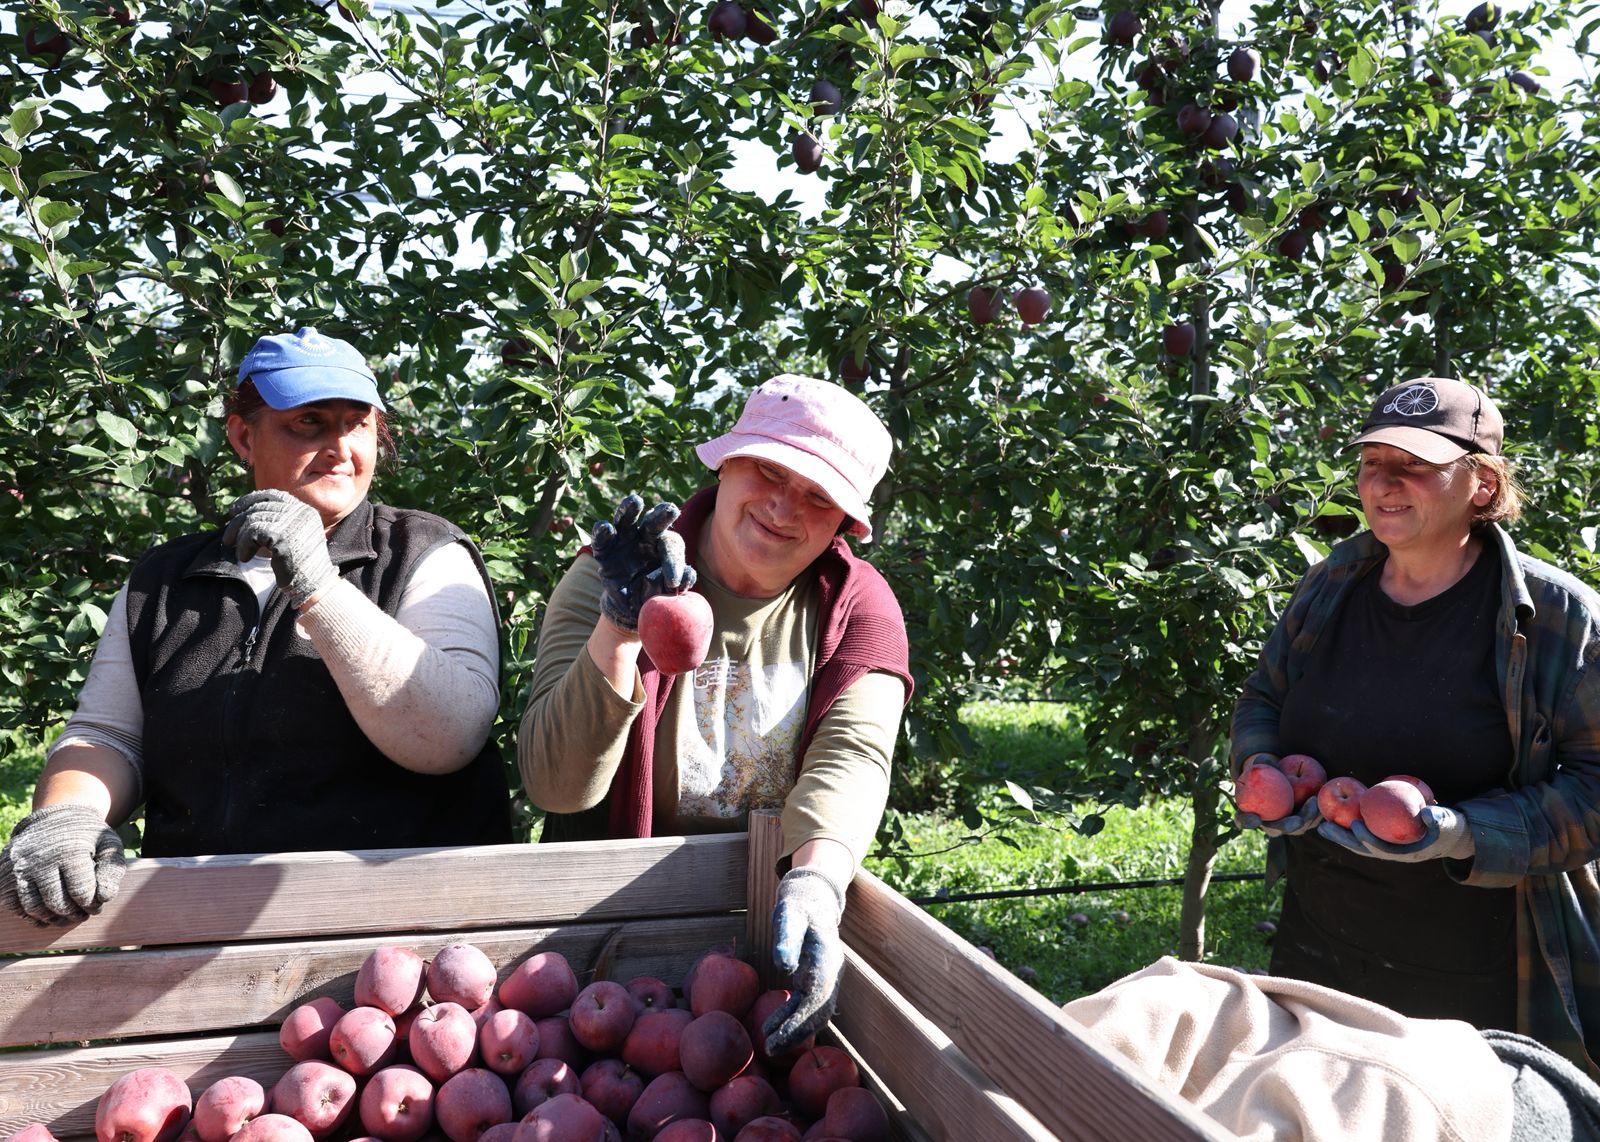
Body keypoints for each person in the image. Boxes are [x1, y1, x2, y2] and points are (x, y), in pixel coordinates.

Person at [0, 327, 513, 926]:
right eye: (309, 423)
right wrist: (69, 815)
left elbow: (449, 738)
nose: (340, 448)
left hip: (397, 932)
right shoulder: (165, 580)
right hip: (200, 925)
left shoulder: (423, 553)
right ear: (243, 436)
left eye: (357, 424)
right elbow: (108, 735)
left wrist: (318, 585)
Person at [518, 373, 912, 1055]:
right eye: (769, 471)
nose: (784, 507)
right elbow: (556, 787)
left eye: (819, 497)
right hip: (597, 940)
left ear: (844, 524)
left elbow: (853, 756)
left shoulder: (858, 608)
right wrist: (620, 627)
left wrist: (816, 883)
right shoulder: (616, 575)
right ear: (725, 462)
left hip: (757, 942)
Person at [1231, 375, 1600, 1078]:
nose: (1384, 482)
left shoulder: (1558, 620)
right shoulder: (1331, 586)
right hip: (1319, 943)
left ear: (1483, 485)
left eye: (1415, 465)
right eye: (1373, 462)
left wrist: (1461, 833)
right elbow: (1263, 699)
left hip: (1476, 972)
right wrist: (1262, 772)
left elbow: (1595, 789)